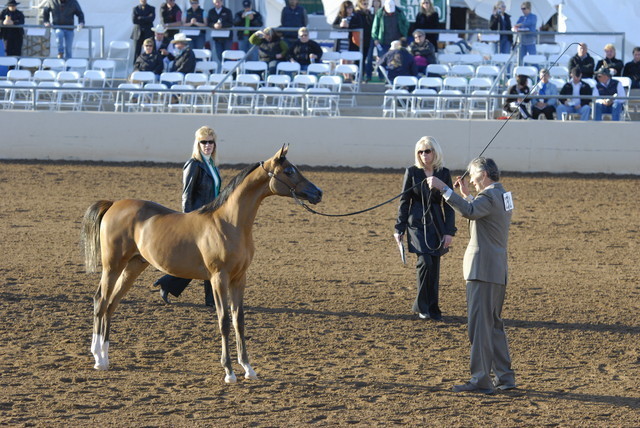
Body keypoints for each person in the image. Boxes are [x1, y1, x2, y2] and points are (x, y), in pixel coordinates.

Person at [426, 157, 515, 395]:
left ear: (484, 175)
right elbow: (481, 211)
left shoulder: (488, 196)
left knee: (479, 328)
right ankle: (505, 377)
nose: (472, 181)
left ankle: (480, 379)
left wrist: (444, 189)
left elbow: (472, 212)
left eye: (474, 177)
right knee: (493, 325)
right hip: (496, 270)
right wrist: (465, 194)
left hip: (482, 270)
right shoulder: (502, 195)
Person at [155, 126, 221, 307]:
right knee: (208, 259)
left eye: (210, 142)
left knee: (210, 259)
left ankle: (169, 283)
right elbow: (187, 195)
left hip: (211, 218)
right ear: (197, 144)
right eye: (203, 142)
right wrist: (188, 220)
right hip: (198, 219)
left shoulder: (212, 165)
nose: (207, 145)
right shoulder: (194, 164)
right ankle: (209, 298)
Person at [394, 137, 455, 322]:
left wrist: (449, 231)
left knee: (434, 266)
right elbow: (404, 201)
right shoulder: (412, 172)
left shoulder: (444, 173)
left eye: (427, 151)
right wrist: (399, 228)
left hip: (437, 222)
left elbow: (450, 204)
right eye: (420, 152)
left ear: (435, 152)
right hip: (416, 223)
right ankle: (422, 306)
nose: (424, 155)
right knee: (425, 262)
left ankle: (433, 307)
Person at [355, 0, 375, 81]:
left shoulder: (369, 13)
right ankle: (358, 75)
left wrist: (369, 14)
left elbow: (371, 24)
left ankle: (363, 75)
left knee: (365, 58)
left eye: (367, 4)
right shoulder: (357, 13)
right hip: (359, 39)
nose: (366, 5)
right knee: (359, 58)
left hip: (367, 38)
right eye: (364, 4)